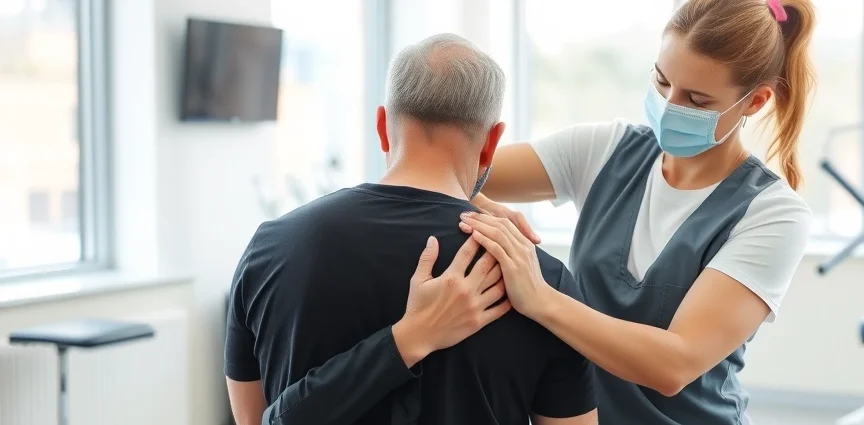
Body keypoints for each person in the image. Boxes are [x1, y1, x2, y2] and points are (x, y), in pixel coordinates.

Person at [457, 0, 815, 424]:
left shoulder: (772, 214)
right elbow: (448, 165)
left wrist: (540, 298)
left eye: (697, 100)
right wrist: (484, 205)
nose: (669, 105)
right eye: (662, 81)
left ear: (754, 102)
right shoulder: (605, 150)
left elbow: (674, 364)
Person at [224, 33, 598, 425]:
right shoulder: (539, 280)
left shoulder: (270, 247)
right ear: (491, 144)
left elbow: (251, 419)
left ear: (382, 125)